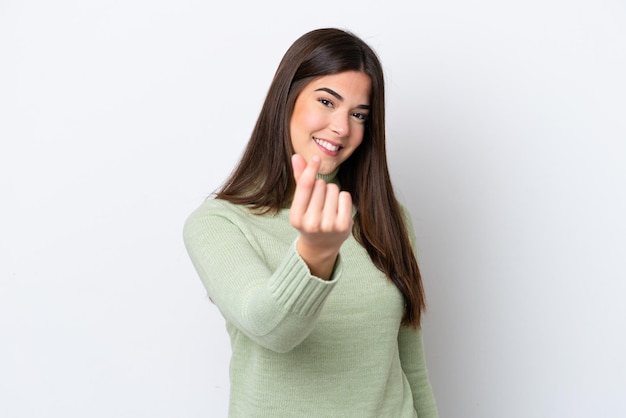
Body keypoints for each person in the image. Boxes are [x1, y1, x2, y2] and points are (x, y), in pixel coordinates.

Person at [183, 28, 438, 418]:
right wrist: (315, 255)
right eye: (326, 101)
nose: (342, 127)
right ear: (286, 101)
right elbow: (271, 330)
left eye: (359, 115)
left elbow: (411, 366)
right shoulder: (220, 223)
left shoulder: (389, 217)